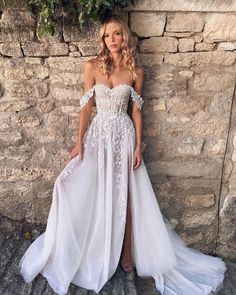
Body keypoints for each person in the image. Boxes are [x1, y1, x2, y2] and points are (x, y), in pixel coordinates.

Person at [19, 14, 226, 295]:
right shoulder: (92, 66)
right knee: (70, 185)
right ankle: (90, 247)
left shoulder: (135, 71)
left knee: (126, 194)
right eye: (107, 35)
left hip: (124, 136)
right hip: (98, 135)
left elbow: (137, 111)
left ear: (124, 36)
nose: (112, 40)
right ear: (102, 40)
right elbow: (86, 108)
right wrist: (79, 142)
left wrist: (139, 145)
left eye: (116, 34)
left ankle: (126, 254)